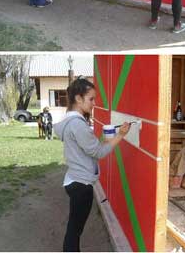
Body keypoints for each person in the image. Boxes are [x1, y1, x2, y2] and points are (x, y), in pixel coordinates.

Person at [53, 78, 131, 251]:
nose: (94, 103)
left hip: (74, 180)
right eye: (91, 99)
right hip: (81, 185)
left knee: (74, 229)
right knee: (74, 231)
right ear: (78, 99)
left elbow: (89, 149)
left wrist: (102, 138)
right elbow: (99, 152)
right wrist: (120, 135)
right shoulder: (77, 125)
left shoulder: (70, 122)